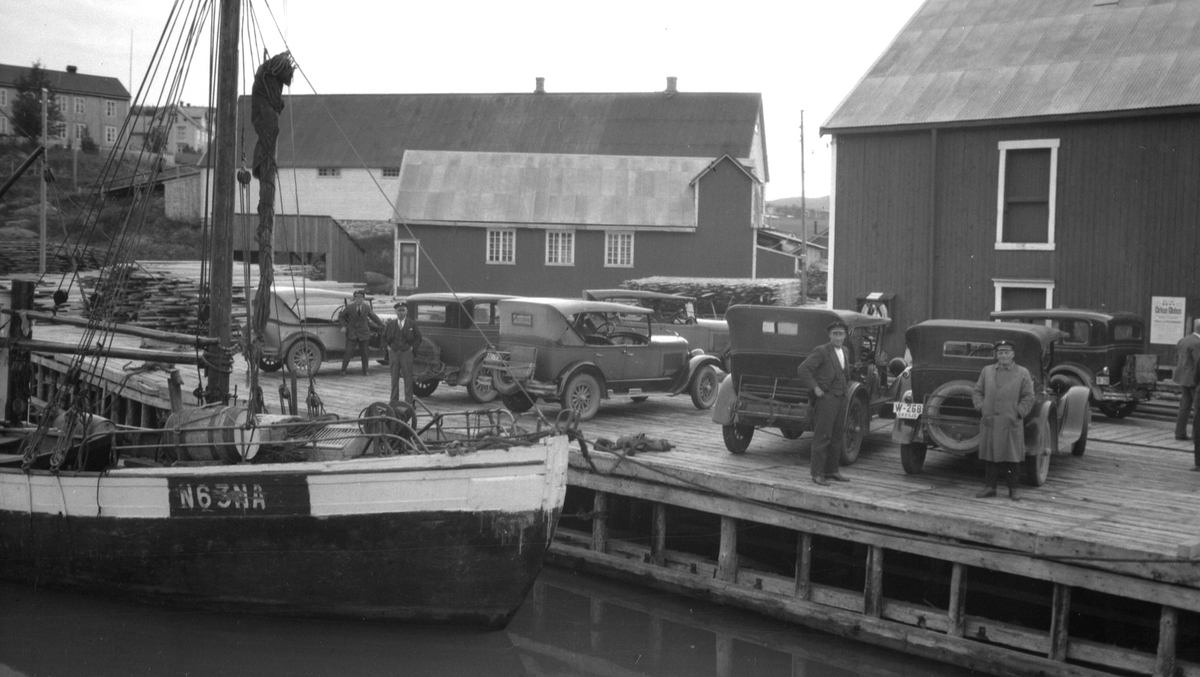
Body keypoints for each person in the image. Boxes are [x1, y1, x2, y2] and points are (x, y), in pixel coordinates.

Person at [972, 339, 1036, 500]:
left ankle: (1013, 489)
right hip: (991, 420)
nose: (1004, 356)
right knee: (990, 456)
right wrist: (982, 407)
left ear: (1013, 354)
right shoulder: (987, 371)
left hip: (1010, 422)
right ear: (997, 355)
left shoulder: (1022, 373)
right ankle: (990, 488)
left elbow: (1029, 396)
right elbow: (977, 392)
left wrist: (1018, 413)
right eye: (1000, 353)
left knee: (1012, 457)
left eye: (1007, 352)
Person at [797, 320, 853, 486]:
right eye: (835, 334)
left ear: (845, 336)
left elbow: (845, 373)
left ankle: (832, 470)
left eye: (841, 334)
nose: (838, 337)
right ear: (830, 335)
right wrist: (815, 389)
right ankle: (817, 473)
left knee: (837, 436)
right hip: (826, 399)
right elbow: (803, 369)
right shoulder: (821, 351)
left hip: (841, 398)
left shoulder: (845, 351)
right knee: (823, 436)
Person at [382, 301, 422, 404]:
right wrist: (387, 347)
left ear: (406, 311)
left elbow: (419, 337)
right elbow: (383, 337)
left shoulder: (412, 324)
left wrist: (412, 348)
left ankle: (408, 401)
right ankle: (394, 401)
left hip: (406, 353)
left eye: (403, 310)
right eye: (399, 310)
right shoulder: (390, 324)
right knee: (394, 379)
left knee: (408, 378)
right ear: (395, 311)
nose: (401, 313)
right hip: (394, 353)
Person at [339, 290, 383, 376]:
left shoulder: (366, 307)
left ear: (363, 299)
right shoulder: (349, 307)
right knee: (348, 352)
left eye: (360, 298)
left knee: (365, 353)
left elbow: (373, 316)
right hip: (352, 333)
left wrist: (380, 323)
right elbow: (341, 316)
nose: (358, 300)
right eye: (356, 298)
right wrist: (343, 326)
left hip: (364, 333)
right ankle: (343, 370)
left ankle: (365, 370)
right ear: (354, 299)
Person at [1173, 319, 1200, 441]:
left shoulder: (1183, 340)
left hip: (1183, 379)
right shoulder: (1197, 343)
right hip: (1194, 381)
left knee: (1184, 407)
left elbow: (1176, 358)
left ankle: (1180, 433)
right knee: (1198, 407)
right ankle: (1196, 435)